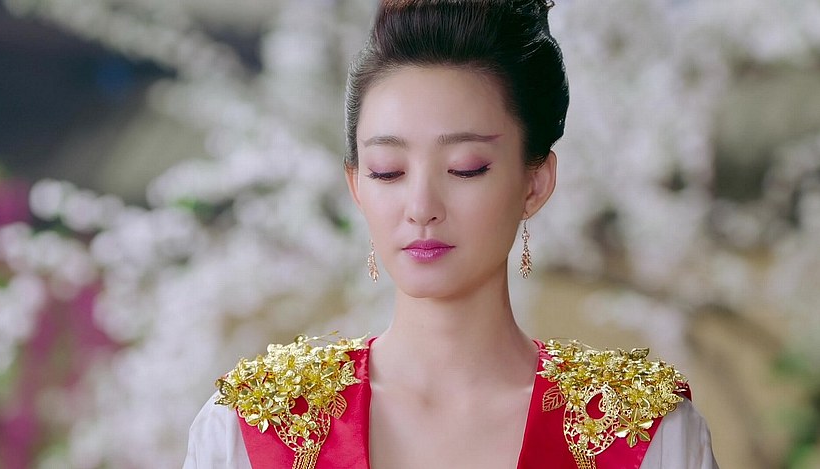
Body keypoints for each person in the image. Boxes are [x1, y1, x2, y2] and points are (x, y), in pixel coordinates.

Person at [184, 0, 719, 467]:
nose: (421, 208)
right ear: (356, 186)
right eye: (388, 172)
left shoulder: (645, 436)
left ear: (534, 183)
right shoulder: (249, 429)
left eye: (465, 169)